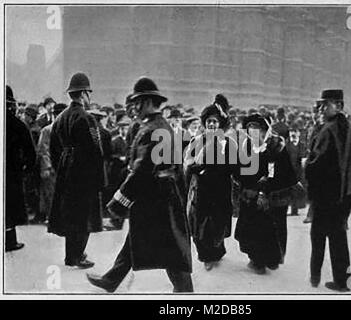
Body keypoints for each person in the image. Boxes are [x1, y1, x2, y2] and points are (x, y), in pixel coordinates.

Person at [86, 77, 193, 293]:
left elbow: (141, 171)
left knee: (172, 249)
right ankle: (111, 279)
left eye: (136, 102)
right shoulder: (159, 126)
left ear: (145, 102)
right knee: (137, 239)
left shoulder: (152, 130)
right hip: (162, 196)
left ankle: (185, 291)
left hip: (156, 199)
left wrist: (119, 201)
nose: (133, 108)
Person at [305, 89, 351, 292]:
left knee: (317, 234)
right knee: (338, 236)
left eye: (325, 105)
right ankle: (343, 281)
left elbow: (316, 164)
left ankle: (314, 277)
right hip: (346, 194)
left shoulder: (328, 130)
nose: (322, 108)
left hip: (326, 194)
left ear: (339, 105)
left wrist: (306, 165)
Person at [48, 72, 104, 269]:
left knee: (71, 215)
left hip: (66, 171)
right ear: (83, 94)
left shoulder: (61, 118)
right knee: (84, 216)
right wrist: (100, 180)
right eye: (89, 93)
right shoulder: (87, 118)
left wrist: (61, 167)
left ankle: (70, 255)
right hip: (84, 173)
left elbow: (53, 147)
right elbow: (96, 150)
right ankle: (78, 255)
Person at [185, 95, 237, 271]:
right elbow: (188, 163)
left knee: (217, 224)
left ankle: (217, 251)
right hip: (201, 189)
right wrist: (197, 169)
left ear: (220, 124)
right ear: (204, 123)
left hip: (220, 189)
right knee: (200, 225)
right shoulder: (196, 141)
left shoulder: (228, 143)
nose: (212, 125)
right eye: (209, 122)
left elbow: (233, 166)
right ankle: (206, 256)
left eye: (215, 122)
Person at [234, 114, 285, 274]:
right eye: (249, 129)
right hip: (247, 194)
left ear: (263, 131)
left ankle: (263, 261)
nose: (252, 133)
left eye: (256, 129)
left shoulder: (271, 149)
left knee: (263, 229)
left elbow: (272, 173)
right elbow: (238, 170)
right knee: (248, 229)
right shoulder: (245, 147)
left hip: (263, 194)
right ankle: (255, 258)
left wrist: (263, 192)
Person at [5, 85, 37, 251]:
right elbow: (31, 153)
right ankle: (9, 241)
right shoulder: (18, 125)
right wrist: (26, 169)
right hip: (12, 173)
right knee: (10, 207)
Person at [36, 103, 67, 223]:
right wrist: (46, 168)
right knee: (51, 194)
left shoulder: (69, 129)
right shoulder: (48, 130)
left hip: (66, 167)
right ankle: (52, 217)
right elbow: (43, 150)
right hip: (52, 168)